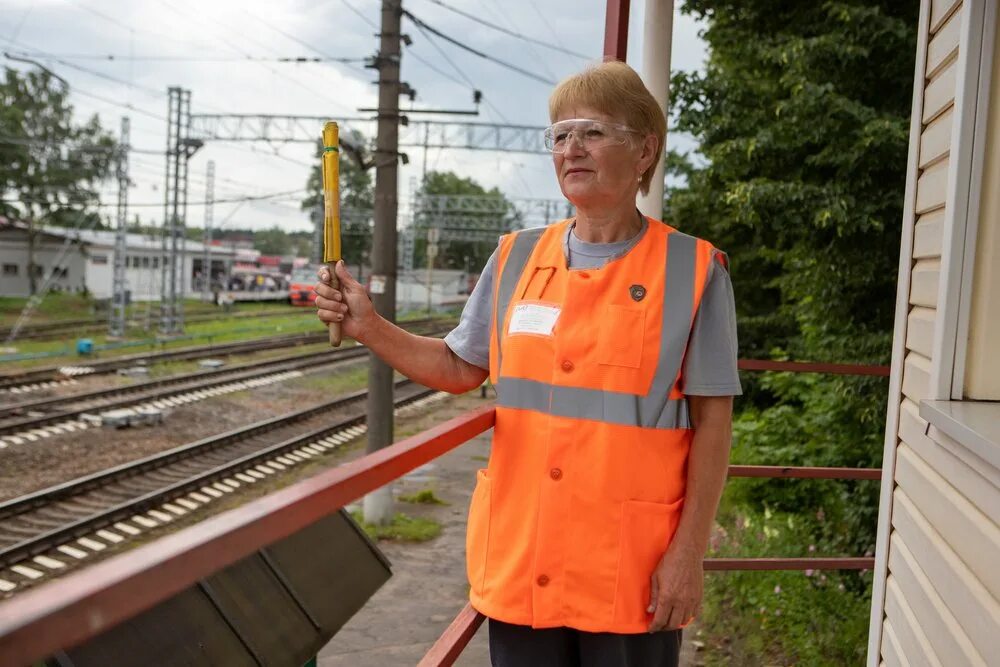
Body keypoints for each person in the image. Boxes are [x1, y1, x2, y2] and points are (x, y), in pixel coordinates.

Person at [315, 60, 741, 667]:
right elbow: (461, 368)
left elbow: (714, 427)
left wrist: (689, 554)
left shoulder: (694, 271)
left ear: (645, 150)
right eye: (560, 135)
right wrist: (368, 326)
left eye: (592, 132)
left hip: (630, 570)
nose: (572, 148)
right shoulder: (516, 258)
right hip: (524, 558)